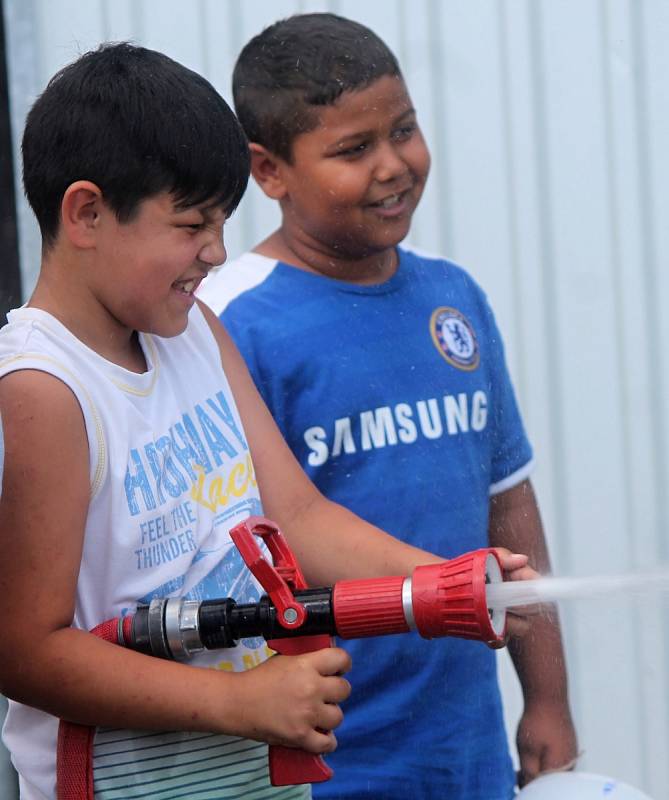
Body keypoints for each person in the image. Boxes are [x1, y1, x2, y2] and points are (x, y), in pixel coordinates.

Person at [0, 42, 536, 800]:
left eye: (222, 222)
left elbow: (297, 514)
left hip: (250, 777)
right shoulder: (44, 389)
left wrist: (439, 581)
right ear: (86, 212)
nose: (216, 252)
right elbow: (26, 651)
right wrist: (237, 702)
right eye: (190, 225)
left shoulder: (194, 334)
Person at [197, 12, 578, 800]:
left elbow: (506, 502)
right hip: (322, 761)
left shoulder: (453, 299)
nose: (392, 165)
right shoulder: (229, 323)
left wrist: (546, 699)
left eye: (403, 130)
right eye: (352, 149)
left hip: (461, 749)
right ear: (268, 170)